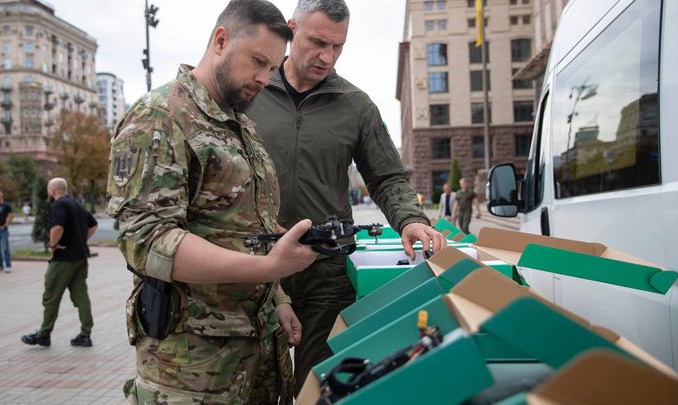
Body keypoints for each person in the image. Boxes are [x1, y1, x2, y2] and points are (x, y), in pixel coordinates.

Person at [104, 1, 318, 403]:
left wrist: (278, 296)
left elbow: (251, 228)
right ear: (221, 40)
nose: (263, 78)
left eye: (271, 68)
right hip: (193, 370)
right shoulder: (160, 118)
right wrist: (267, 267)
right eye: (257, 61)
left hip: (256, 355)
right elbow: (148, 241)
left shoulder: (241, 125)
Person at [246, 0, 448, 394]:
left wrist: (411, 219)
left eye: (338, 46)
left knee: (315, 388)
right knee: (255, 388)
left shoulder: (356, 106)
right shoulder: (250, 89)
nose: (327, 56)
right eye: (318, 42)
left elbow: (388, 176)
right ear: (291, 31)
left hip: (325, 273)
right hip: (254, 265)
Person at [21, 178, 97, 348]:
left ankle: (44, 334)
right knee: (81, 295)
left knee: (51, 297)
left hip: (63, 259)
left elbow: (57, 228)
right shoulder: (76, 204)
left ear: (52, 190)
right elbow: (93, 225)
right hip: (80, 258)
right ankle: (85, 334)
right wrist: (80, 240)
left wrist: (53, 245)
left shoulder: (59, 205)